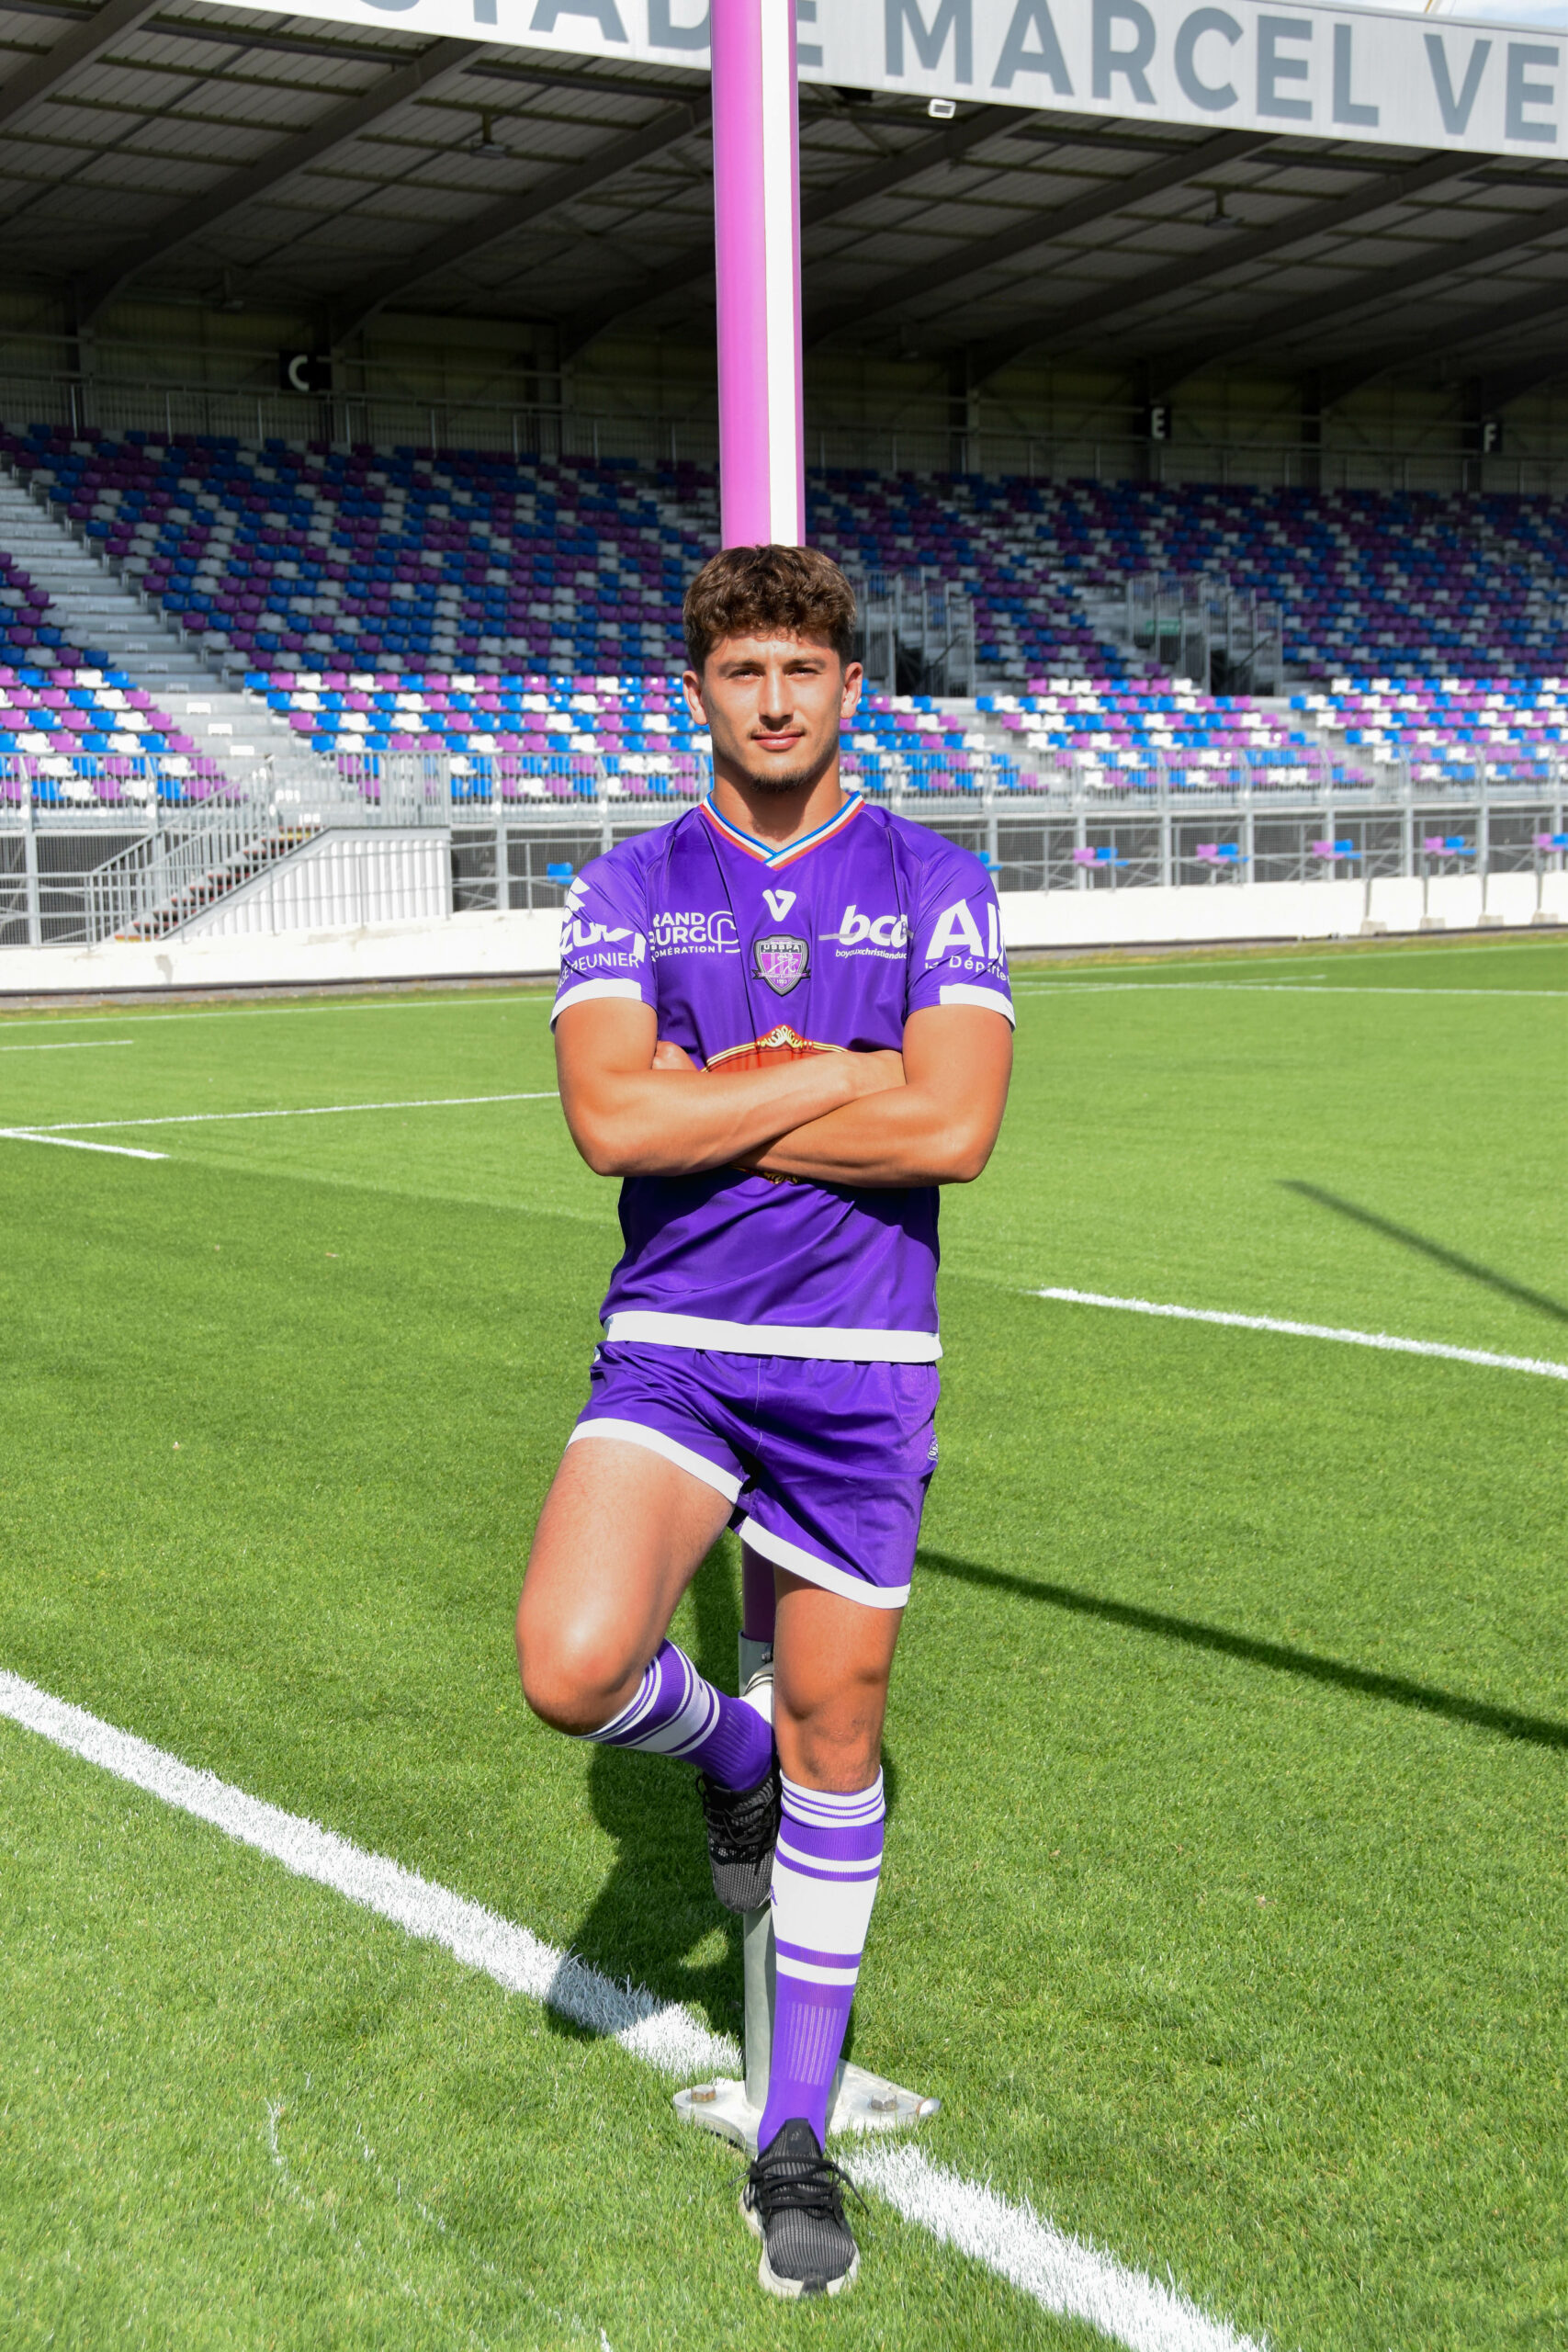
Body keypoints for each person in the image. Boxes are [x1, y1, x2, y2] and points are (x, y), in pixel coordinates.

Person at [516, 543, 1013, 2300]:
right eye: (745, 672)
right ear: (700, 693)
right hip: (676, 1346)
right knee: (574, 1664)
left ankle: (792, 2130)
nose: (777, 699)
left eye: (806, 668)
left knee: (838, 1737)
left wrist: (719, 1091)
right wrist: (843, 1072)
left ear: (850, 687)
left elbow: (954, 1131)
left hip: (862, 1365)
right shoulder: (629, 883)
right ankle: (719, 1758)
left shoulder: (938, 880)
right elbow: (609, 1122)